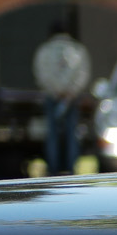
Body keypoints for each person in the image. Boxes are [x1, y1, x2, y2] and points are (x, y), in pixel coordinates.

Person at [32, 15, 92, 175]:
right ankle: (71, 167)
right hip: (71, 98)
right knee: (72, 132)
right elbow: (83, 73)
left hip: (52, 97)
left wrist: (55, 91)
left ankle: (53, 168)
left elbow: (41, 73)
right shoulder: (77, 49)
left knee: (51, 133)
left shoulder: (44, 50)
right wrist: (71, 92)